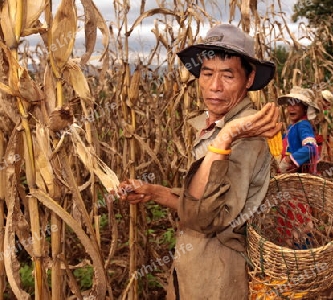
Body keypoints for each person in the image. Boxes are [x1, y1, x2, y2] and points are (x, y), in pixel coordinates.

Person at [117, 24, 281, 299]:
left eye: (228, 75)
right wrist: (155, 192)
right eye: (207, 73)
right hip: (195, 268)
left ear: (249, 78)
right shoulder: (219, 125)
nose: (214, 87)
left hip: (218, 277)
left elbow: (206, 217)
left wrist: (226, 137)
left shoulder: (246, 135)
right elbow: (201, 199)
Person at [277, 87, 319, 174]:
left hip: (298, 174)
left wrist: (289, 159)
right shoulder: (293, 125)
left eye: (296, 104)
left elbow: (311, 148)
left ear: (305, 108)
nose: (291, 108)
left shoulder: (303, 125)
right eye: (289, 104)